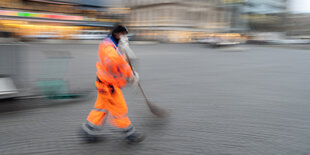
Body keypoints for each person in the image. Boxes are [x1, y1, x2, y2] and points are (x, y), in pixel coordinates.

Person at [80, 24, 144, 143]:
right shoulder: (107, 46)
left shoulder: (116, 46)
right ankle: (130, 133)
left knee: (101, 109)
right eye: (124, 35)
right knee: (120, 109)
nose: (126, 38)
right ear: (117, 34)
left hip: (106, 84)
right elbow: (113, 62)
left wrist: (131, 74)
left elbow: (123, 65)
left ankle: (87, 130)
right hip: (108, 86)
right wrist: (123, 50)